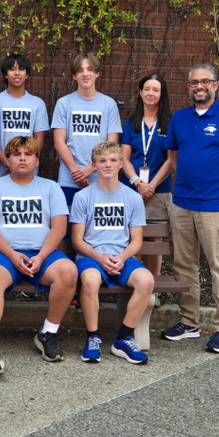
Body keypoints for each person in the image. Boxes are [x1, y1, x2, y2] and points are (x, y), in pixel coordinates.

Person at [161, 63, 219, 353]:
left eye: (205, 81)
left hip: (217, 206)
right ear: (188, 87)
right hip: (183, 204)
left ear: (216, 85)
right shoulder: (179, 118)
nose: (199, 86)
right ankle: (189, 322)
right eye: (194, 82)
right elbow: (173, 155)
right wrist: (183, 183)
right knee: (184, 265)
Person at [0, 136, 77, 380]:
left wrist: (41, 257)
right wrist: (12, 255)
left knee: (69, 272)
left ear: (37, 160)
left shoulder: (50, 187)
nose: (22, 158)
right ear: (7, 160)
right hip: (2, 253)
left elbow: (59, 226)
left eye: (28, 154)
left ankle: (47, 333)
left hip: (41, 253)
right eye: (16, 154)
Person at [70, 141, 153, 364]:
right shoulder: (83, 196)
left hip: (123, 257)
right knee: (90, 280)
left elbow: (137, 240)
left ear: (121, 164)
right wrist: (99, 257)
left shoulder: (133, 198)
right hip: (91, 256)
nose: (108, 164)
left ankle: (123, 339)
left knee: (146, 281)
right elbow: (77, 240)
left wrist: (122, 258)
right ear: (94, 165)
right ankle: (93, 337)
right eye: (102, 160)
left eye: (113, 160)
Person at [120, 74, 173, 282]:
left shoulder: (170, 123)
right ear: (141, 93)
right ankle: (133, 281)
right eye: (147, 89)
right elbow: (124, 158)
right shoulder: (131, 123)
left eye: (156, 90)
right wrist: (138, 182)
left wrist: (151, 185)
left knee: (154, 238)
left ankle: (153, 285)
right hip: (131, 188)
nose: (151, 93)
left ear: (162, 94)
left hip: (159, 190)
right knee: (131, 236)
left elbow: (171, 160)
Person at [51, 53, 121, 205]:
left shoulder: (109, 104)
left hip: (101, 178)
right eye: (80, 70)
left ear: (97, 73)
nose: (85, 74)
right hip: (70, 179)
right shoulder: (64, 103)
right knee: (69, 219)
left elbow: (112, 144)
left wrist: (92, 167)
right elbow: (59, 142)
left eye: (89, 69)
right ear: (74, 76)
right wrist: (76, 171)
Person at [0, 54, 49, 180]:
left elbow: (38, 140)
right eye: (12, 69)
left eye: (21, 69)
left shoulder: (37, 104)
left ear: (27, 75)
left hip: (27, 172)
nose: (17, 73)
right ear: (5, 74)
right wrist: (8, 163)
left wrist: (21, 163)